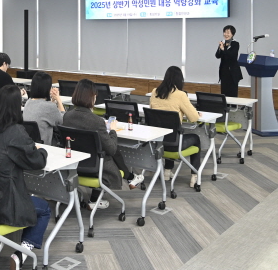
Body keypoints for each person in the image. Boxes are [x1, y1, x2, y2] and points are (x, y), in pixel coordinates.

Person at [0, 84, 50, 270]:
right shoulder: (16, 131)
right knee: (44, 208)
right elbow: (37, 162)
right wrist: (42, 150)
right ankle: (22, 252)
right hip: (5, 201)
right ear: (17, 106)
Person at [63, 79, 145, 209]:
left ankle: (128, 179)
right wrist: (112, 130)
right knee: (110, 149)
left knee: (100, 147)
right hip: (97, 169)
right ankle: (130, 177)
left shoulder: (67, 116)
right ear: (92, 97)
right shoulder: (96, 121)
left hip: (74, 166)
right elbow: (111, 149)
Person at [150, 66, 202, 187]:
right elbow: (193, 118)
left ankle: (167, 171)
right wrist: (196, 113)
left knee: (168, 131)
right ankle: (194, 176)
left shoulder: (155, 92)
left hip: (157, 143)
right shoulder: (180, 95)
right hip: (174, 145)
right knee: (195, 138)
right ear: (180, 80)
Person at [22, 71, 65, 145]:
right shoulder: (49, 107)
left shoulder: (28, 102)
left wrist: (52, 101)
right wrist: (58, 100)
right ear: (47, 88)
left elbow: (46, 114)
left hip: (30, 145)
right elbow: (63, 121)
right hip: (46, 146)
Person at [215, 24, 243, 97]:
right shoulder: (223, 43)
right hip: (224, 71)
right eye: (225, 32)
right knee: (224, 93)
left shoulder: (235, 44)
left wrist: (223, 49)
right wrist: (220, 48)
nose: (226, 34)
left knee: (232, 92)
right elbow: (217, 56)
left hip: (233, 72)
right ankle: (225, 104)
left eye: (228, 32)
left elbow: (233, 56)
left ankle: (233, 104)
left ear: (232, 34)